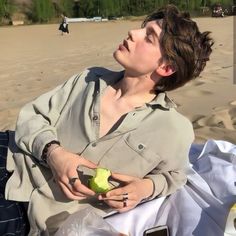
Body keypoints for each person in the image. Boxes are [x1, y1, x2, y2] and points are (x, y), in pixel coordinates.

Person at [0, 5, 213, 235]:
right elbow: (32, 116)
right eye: (142, 28)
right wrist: (54, 154)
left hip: (39, 215)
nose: (133, 32)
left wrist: (145, 187)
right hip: (12, 160)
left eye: (148, 37)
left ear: (166, 67)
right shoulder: (88, 78)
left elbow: (176, 175)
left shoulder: (174, 130)